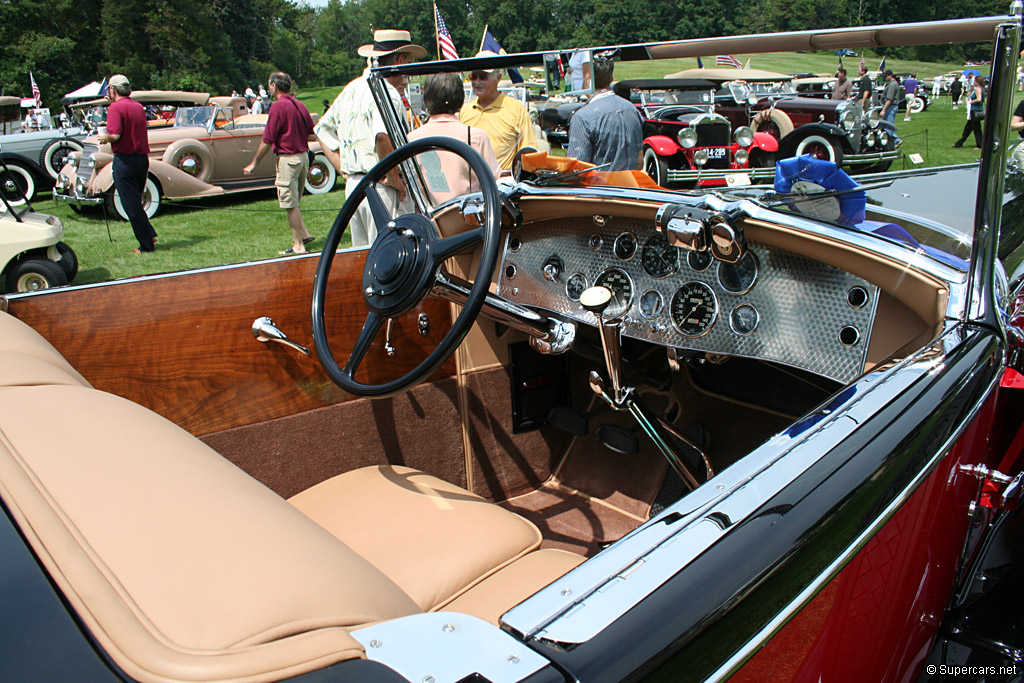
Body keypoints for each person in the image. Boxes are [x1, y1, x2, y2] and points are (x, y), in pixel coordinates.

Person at [315, 29, 426, 247]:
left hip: (355, 188)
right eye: (408, 63)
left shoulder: (351, 89)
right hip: (383, 189)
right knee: (393, 259)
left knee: (365, 260)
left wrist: (344, 169)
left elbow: (321, 130)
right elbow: (382, 136)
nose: (407, 74)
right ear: (400, 59)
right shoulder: (387, 92)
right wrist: (395, 180)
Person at [243, 72, 316, 255]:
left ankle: (298, 245)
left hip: (288, 160)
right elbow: (311, 132)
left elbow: (268, 140)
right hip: (303, 157)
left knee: (289, 203)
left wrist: (254, 163)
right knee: (295, 201)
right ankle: (305, 234)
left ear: (274, 86)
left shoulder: (278, 107)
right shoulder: (299, 105)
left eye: (270, 85)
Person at [407, 73, 500, 205]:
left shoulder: (412, 138)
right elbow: (493, 181)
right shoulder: (477, 137)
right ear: (459, 98)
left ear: (427, 98)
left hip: (431, 218)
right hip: (468, 218)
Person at [96, 75, 158, 254]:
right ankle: (150, 234)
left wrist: (104, 137)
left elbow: (115, 135)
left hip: (125, 160)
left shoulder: (115, 108)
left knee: (130, 206)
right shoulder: (138, 106)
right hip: (141, 159)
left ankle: (146, 246)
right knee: (136, 202)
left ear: (113, 90)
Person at [460, 50, 538, 171]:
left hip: (502, 183)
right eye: (473, 76)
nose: (477, 82)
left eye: (483, 76)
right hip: (470, 183)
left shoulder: (517, 110)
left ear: (498, 78)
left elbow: (529, 154)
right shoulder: (464, 112)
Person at [566, 54, 642, 171]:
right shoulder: (632, 110)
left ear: (588, 79)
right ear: (611, 78)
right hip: (630, 185)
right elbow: (639, 159)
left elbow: (576, 169)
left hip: (599, 187)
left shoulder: (582, 117)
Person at [953, 74, 986, 150]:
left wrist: (969, 102)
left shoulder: (978, 89)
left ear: (977, 82)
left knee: (976, 129)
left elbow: (979, 99)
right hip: (977, 110)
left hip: (975, 110)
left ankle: (980, 144)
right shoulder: (983, 89)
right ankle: (959, 142)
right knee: (968, 128)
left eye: (974, 81)